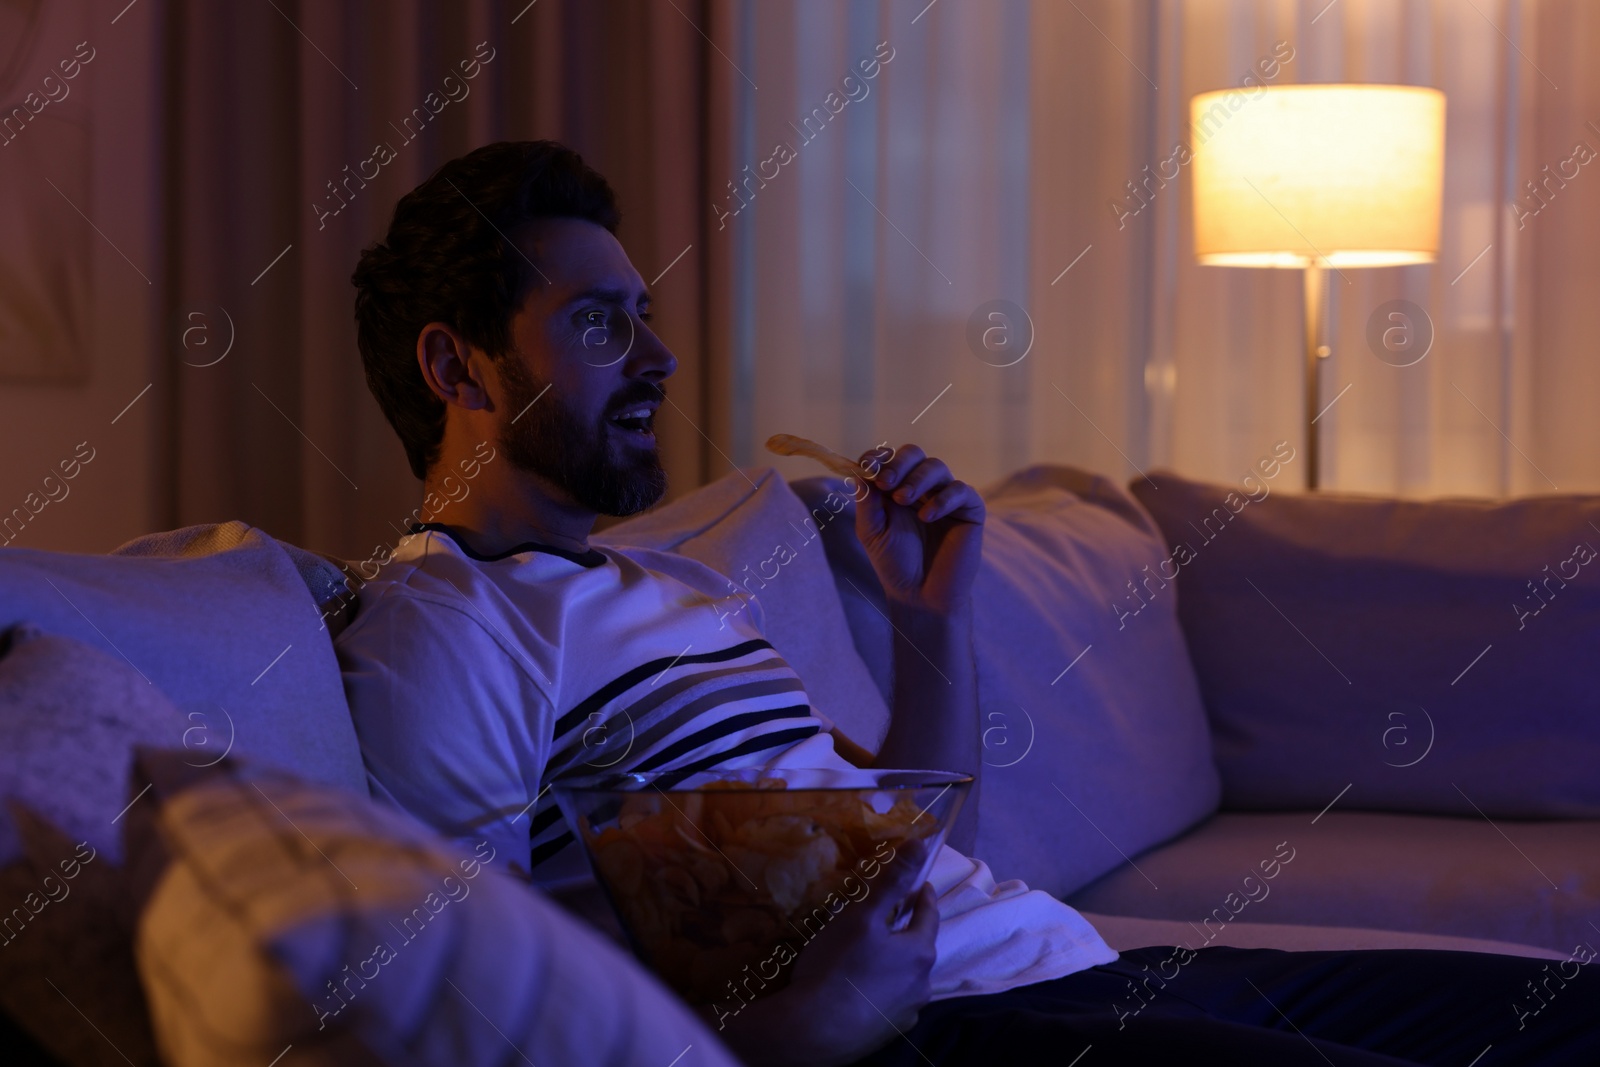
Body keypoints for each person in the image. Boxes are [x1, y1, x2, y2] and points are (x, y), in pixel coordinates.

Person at [337, 140, 1598, 1066]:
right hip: (953, 1032)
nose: (660, 358)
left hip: (1081, 963)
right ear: (458, 365)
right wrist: (788, 1032)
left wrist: (929, 615)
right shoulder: (447, 626)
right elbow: (475, 997)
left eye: (647, 318)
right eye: (601, 325)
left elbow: (913, 837)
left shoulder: (674, 585)